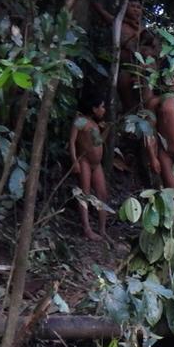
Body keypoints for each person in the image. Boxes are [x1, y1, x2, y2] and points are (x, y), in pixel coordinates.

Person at [91, 0, 158, 111]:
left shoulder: (143, 29)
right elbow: (101, 12)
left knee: (146, 102)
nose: (136, 9)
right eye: (132, 6)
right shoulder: (118, 23)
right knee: (129, 105)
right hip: (126, 69)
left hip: (144, 71)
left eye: (138, 7)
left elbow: (155, 49)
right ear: (125, 8)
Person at [69, 93, 110, 241]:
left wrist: (107, 129)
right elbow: (72, 142)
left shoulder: (94, 123)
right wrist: (74, 161)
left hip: (96, 164)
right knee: (84, 195)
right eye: (102, 107)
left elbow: (98, 143)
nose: (104, 110)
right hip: (84, 161)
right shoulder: (80, 121)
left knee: (102, 194)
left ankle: (102, 229)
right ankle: (87, 229)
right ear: (94, 108)